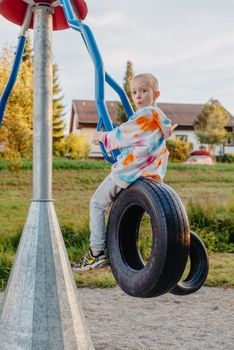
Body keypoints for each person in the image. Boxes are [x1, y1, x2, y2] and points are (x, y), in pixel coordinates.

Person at [73, 73, 173, 272]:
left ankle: (96, 253)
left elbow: (122, 135)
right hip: (149, 174)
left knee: (97, 203)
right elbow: (137, 137)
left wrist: (101, 137)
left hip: (130, 172)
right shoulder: (159, 118)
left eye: (144, 91)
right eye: (134, 92)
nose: (138, 95)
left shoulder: (145, 116)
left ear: (156, 94)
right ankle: (121, 251)